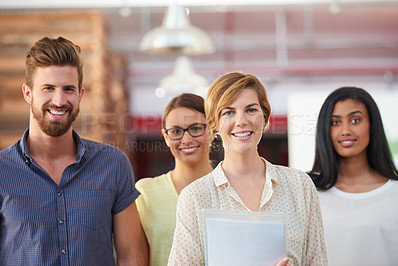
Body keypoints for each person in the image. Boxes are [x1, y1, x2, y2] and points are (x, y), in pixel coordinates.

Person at [0, 36, 148, 265]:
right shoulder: (2, 171)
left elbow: (132, 256)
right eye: (48, 88)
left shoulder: (113, 165)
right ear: (27, 93)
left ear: (80, 95)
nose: (59, 100)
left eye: (68, 89)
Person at [168, 72, 327, 266]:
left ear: (265, 119)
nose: (241, 121)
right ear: (214, 124)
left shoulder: (299, 186)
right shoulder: (194, 197)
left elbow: (317, 262)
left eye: (251, 110)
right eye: (228, 112)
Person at [308, 86, 398, 266]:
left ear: (372, 126)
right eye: (335, 122)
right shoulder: (308, 192)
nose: (345, 130)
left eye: (355, 120)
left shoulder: (396, 193)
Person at [136, 93, 214, 266]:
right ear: (165, 137)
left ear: (212, 130)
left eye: (195, 128)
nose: (186, 139)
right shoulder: (145, 194)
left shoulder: (231, 187)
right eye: (176, 131)